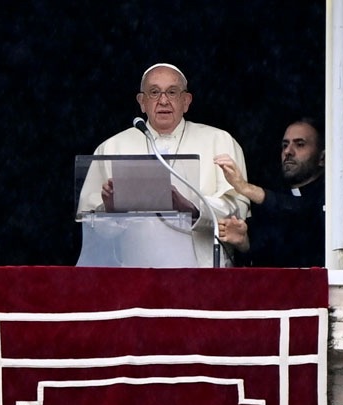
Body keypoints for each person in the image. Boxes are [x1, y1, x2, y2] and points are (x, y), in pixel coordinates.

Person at [77, 63, 249, 267]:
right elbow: (91, 228)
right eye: (154, 92)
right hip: (134, 272)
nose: (164, 100)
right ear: (142, 102)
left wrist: (193, 208)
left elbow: (236, 212)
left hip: (203, 273)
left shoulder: (219, 141)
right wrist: (111, 211)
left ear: (186, 101)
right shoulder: (112, 147)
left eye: (172, 92)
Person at [215, 117, 325, 267]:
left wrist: (244, 187)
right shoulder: (273, 193)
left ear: (322, 158)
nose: (288, 151)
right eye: (285, 145)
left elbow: (303, 212)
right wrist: (244, 240)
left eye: (300, 144)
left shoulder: (331, 194)